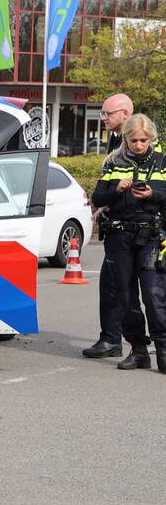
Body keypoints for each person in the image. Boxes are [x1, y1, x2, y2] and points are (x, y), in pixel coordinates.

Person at [88, 114, 166, 373]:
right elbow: (98, 197)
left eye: (144, 140)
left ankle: (163, 350)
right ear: (126, 139)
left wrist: (152, 194)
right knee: (126, 296)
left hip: (150, 236)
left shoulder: (162, 162)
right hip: (119, 237)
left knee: (154, 295)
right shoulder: (114, 162)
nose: (139, 145)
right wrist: (117, 190)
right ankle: (139, 350)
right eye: (134, 140)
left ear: (150, 139)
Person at [84, 93, 150, 361]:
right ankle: (111, 338)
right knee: (112, 285)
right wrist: (103, 204)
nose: (103, 118)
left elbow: (145, 187)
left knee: (147, 289)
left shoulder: (142, 146)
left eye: (107, 114)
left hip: (140, 229)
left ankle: (140, 342)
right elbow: (109, 185)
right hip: (117, 228)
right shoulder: (115, 143)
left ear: (124, 114)